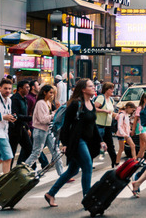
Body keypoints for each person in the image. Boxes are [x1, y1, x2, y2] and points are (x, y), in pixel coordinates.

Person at [44, 79, 105, 207]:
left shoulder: (91, 103)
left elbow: (93, 125)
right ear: (83, 89)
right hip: (77, 141)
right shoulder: (76, 104)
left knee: (72, 170)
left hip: (87, 141)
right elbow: (66, 125)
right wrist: (64, 143)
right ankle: (87, 198)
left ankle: (50, 194)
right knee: (87, 166)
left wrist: (101, 141)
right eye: (90, 86)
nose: (94, 88)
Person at [24, 84, 64, 176]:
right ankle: (23, 171)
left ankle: (62, 175)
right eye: (50, 93)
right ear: (44, 92)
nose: (52, 95)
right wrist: (55, 114)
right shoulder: (41, 103)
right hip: (40, 131)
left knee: (56, 152)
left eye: (53, 93)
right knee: (36, 153)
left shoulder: (47, 102)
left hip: (47, 130)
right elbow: (43, 119)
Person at [10, 81, 33, 165]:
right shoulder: (15, 99)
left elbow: (24, 114)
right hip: (14, 129)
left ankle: (29, 169)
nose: (28, 89)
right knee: (12, 152)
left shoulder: (24, 99)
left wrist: (27, 128)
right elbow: (16, 115)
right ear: (20, 88)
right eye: (26, 87)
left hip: (22, 128)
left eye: (29, 87)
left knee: (29, 149)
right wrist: (31, 118)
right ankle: (8, 172)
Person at [95, 82, 117, 166]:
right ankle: (89, 161)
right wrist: (104, 111)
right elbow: (94, 108)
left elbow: (112, 112)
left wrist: (118, 115)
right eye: (111, 89)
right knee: (97, 145)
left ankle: (115, 162)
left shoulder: (111, 100)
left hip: (108, 126)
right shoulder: (101, 98)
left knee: (110, 145)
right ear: (106, 90)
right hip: (99, 125)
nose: (112, 90)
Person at [132, 93, 146, 159]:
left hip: (144, 127)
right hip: (140, 127)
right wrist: (133, 129)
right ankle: (138, 156)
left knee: (142, 144)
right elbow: (135, 120)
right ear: (144, 99)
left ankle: (140, 158)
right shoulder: (140, 108)